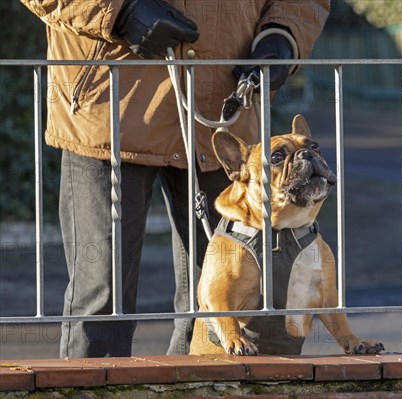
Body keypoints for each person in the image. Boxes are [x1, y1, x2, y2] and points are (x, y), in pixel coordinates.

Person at [20, 0, 330, 357]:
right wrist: (119, 10)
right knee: (102, 299)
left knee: (223, 300)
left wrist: (284, 33)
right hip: (108, 109)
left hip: (223, 113)